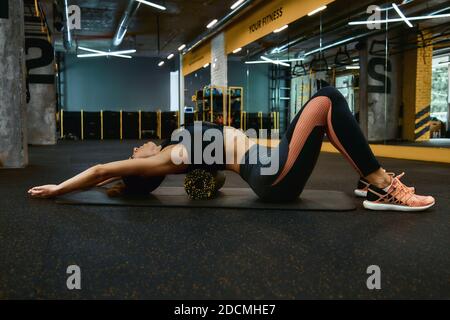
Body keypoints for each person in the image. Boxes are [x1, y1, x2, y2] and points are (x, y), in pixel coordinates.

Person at [28, 86, 435, 212]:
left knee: (328, 110)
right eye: (134, 154)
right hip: (273, 176)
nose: (137, 148)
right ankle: (380, 184)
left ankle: (369, 183)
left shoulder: (176, 152)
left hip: (272, 169)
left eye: (135, 150)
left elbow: (214, 175)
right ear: (140, 171)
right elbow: (101, 170)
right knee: (326, 100)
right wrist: (57, 190)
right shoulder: (164, 160)